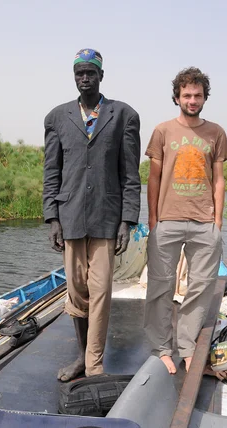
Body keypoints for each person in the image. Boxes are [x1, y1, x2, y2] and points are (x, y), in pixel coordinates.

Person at [43, 48, 141, 381]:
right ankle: (82, 358)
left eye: (91, 73)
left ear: (101, 76)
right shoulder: (57, 117)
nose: (85, 78)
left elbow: (130, 174)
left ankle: (95, 364)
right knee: (76, 294)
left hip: (106, 217)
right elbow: (51, 172)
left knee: (100, 293)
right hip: (70, 216)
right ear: (74, 76)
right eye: (79, 73)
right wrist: (52, 217)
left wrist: (127, 220)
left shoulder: (124, 115)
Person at [144, 67, 227, 374]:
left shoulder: (216, 133)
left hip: (204, 221)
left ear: (205, 97)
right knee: (160, 286)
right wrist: (153, 218)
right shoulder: (163, 131)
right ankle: (161, 347)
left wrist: (217, 222)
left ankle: (188, 346)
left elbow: (219, 180)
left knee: (202, 286)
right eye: (186, 95)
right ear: (177, 97)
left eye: (197, 95)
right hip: (167, 220)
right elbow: (153, 178)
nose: (192, 100)